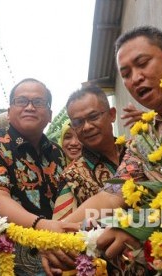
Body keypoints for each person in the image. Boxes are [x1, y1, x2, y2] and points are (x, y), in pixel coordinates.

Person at [64, 26, 162, 265]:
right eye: (126, 74)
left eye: (143, 63)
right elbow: (111, 196)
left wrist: (141, 223)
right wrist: (56, 235)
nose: (136, 78)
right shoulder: (145, 141)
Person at [0, 78, 79, 275]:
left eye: (38, 102)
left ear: (49, 115)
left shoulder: (57, 152)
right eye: (22, 101)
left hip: (61, 257)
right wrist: (42, 227)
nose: (30, 107)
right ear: (10, 110)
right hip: (13, 262)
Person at [51, 85, 128, 221]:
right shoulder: (73, 178)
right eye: (78, 122)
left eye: (93, 117)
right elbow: (62, 234)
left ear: (112, 114)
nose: (86, 127)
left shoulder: (137, 150)